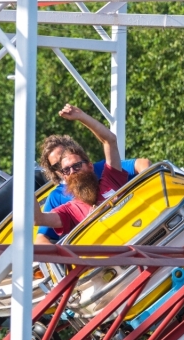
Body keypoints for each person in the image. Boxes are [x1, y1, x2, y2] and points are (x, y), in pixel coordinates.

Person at [35, 104, 150, 243]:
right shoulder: (69, 210)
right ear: (62, 174)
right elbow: (38, 219)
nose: (73, 172)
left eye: (76, 166)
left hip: (141, 234)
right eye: (65, 169)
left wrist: (82, 117)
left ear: (90, 166)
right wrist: (25, 181)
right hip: (111, 255)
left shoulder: (110, 178)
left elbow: (110, 141)